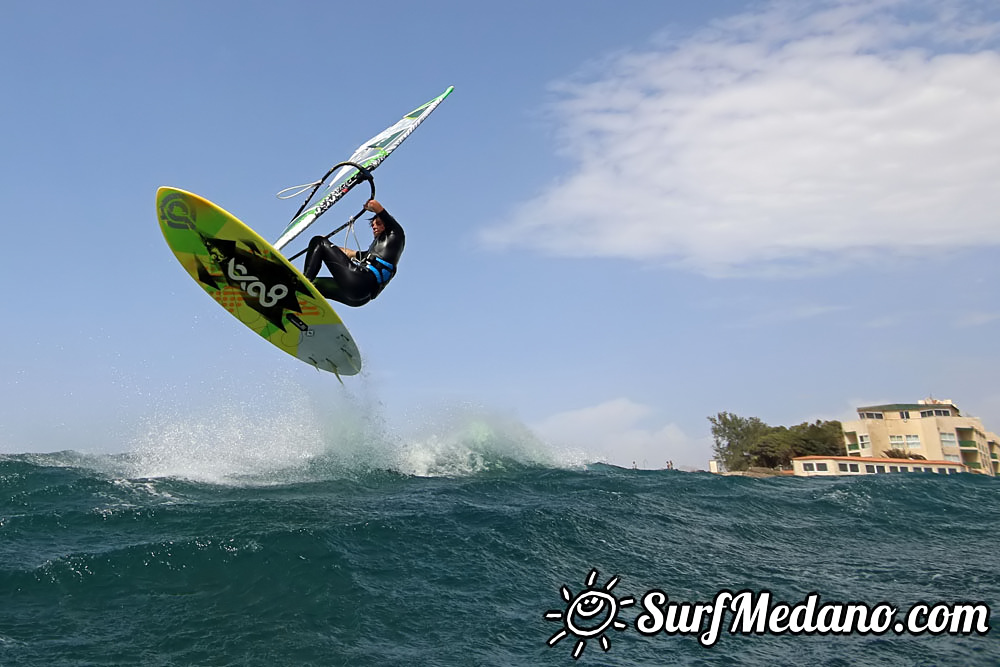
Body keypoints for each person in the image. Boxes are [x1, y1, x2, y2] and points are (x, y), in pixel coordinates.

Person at [301, 199, 404, 307]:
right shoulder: (376, 255)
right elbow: (349, 253)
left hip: (360, 282)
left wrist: (368, 206)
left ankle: (303, 283)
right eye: (372, 224)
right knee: (315, 285)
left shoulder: (396, 232)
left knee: (318, 241)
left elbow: (374, 204)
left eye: (378, 223)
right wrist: (328, 246)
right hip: (359, 298)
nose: (374, 226)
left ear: (387, 224)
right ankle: (298, 301)